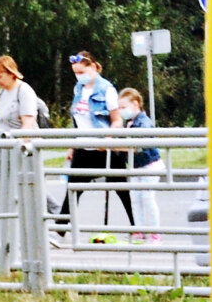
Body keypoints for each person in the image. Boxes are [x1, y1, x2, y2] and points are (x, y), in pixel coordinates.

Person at [61, 50, 121, 234]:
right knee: (73, 189)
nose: (79, 77)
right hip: (83, 147)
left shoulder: (107, 90)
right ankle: (60, 229)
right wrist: (73, 145)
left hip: (104, 149)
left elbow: (117, 120)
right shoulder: (78, 89)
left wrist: (108, 140)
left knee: (122, 188)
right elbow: (77, 121)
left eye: (82, 72)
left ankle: (137, 228)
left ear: (93, 67)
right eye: (76, 73)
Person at [117, 84, 161, 235]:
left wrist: (115, 147)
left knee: (148, 199)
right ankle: (139, 231)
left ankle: (155, 233)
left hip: (150, 165)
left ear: (136, 104)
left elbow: (138, 145)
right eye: (120, 108)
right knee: (135, 199)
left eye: (124, 107)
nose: (121, 111)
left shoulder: (143, 122)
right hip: (136, 166)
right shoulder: (129, 123)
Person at [0, 55, 43, 129]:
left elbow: (28, 125)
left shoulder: (24, 91)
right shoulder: (1, 93)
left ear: (11, 74)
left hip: (20, 139)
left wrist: (21, 140)